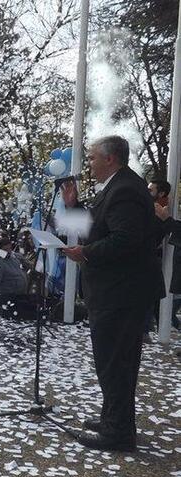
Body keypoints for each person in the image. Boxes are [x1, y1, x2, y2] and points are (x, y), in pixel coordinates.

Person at [61, 135, 164, 451]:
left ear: (110, 159)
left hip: (123, 294)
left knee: (115, 361)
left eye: (92, 158)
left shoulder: (125, 191)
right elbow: (99, 227)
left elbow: (125, 239)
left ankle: (118, 433)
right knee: (113, 361)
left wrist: (86, 253)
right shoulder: (119, 187)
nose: (88, 165)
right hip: (119, 292)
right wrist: (74, 207)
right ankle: (114, 419)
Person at [0, 236, 34, 319]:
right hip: (8, 296)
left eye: (10, 249)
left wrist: (27, 263)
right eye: (5, 249)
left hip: (20, 294)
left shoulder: (14, 256)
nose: (8, 251)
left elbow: (27, 263)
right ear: (0, 250)